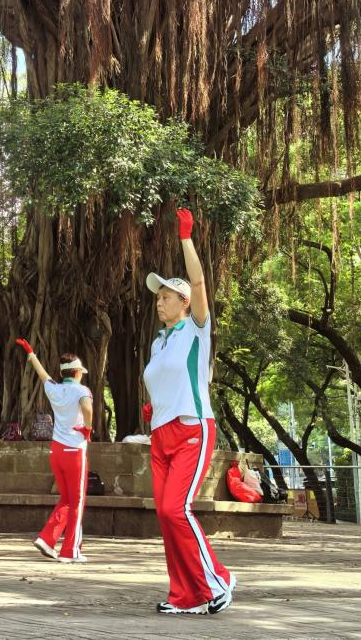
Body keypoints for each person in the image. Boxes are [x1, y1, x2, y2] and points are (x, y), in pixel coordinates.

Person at [142, 208, 235, 615]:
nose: (159, 302)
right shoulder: (157, 343)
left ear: (184, 302)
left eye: (165, 296)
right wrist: (154, 405)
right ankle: (187, 595)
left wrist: (185, 238)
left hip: (192, 430)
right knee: (165, 517)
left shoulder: (196, 329)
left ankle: (218, 581)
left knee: (176, 509)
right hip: (161, 435)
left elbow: (199, 281)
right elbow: (163, 381)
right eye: (157, 297)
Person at [17, 343, 92, 562]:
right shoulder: (82, 390)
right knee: (77, 501)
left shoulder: (54, 389)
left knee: (67, 499)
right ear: (77, 372)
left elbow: (43, 375)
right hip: (75, 450)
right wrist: (88, 428)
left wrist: (32, 355)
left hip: (57, 450)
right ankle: (71, 551)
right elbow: (87, 408)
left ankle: (47, 539)